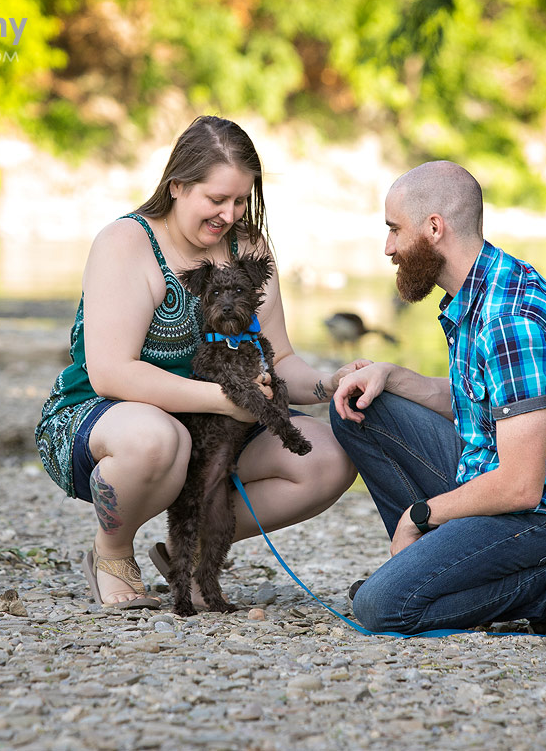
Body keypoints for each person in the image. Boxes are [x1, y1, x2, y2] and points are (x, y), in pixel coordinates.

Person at [36, 116, 367, 609]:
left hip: (219, 427)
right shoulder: (125, 243)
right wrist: (226, 398)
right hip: (110, 418)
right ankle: (112, 550)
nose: (229, 214)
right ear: (177, 186)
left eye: (240, 200)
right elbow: (112, 372)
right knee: (158, 439)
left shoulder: (249, 249)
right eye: (217, 200)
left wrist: (328, 383)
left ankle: (188, 552)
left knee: (329, 457)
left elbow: (282, 360)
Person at [330, 161, 546, 639]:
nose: (388, 248)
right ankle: (430, 573)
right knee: (362, 408)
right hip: (493, 471)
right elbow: (481, 403)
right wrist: (392, 375)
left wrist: (418, 517)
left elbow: (520, 487)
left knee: (382, 608)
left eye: (393, 231)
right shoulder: (479, 290)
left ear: (433, 228)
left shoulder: (510, 318)